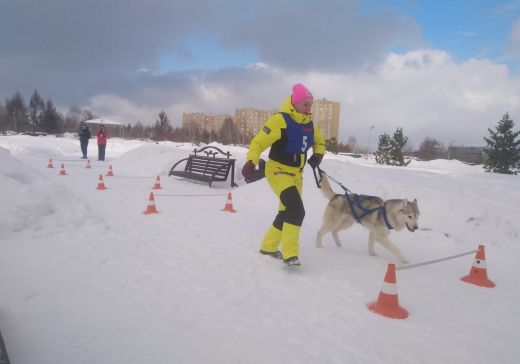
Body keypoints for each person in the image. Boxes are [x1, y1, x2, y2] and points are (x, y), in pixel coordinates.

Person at [242, 83, 326, 266]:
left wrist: (317, 155)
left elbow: (320, 142)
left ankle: (268, 247)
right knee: (297, 210)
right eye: (305, 104)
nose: (308, 108)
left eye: (310, 104)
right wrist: (251, 161)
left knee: (286, 212)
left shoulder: (309, 124)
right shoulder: (279, 120)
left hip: (297, 175)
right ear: (294, 103)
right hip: (278, 172)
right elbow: (258, 143)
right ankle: (290, 254)